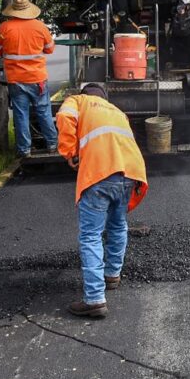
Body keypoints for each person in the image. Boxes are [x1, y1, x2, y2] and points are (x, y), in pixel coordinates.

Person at [57, 83, 148, 318]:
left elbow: (64, 118)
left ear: (84, 94)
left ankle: (95, 299)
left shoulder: (77, 101)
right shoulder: (117, 111)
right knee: (118, 226)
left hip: (100, 173)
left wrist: (69, 152)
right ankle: (112, 275)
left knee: (90, 235)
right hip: (130, 173)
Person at [0, 0, 59, 158]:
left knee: (21, 114)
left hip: (15, 79)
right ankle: (52, 144)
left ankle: (24, 150)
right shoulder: (40, 26)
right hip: (37, 78)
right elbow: (50, 49)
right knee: (43, 111)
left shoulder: (4, 28)